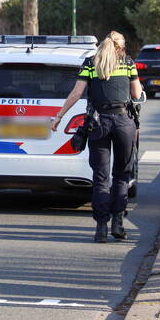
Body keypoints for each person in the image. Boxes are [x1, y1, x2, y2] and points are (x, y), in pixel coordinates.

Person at [52, 31, 141, 243]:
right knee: (122, 174)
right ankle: (118, 223)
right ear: (120, 48)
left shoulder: (90, 63)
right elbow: (137, 94)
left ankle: (101, 228)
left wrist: (59, 116)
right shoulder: (127, 62)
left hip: (98, 122)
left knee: (101, 177)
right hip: (123, 122)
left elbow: (76, 93)